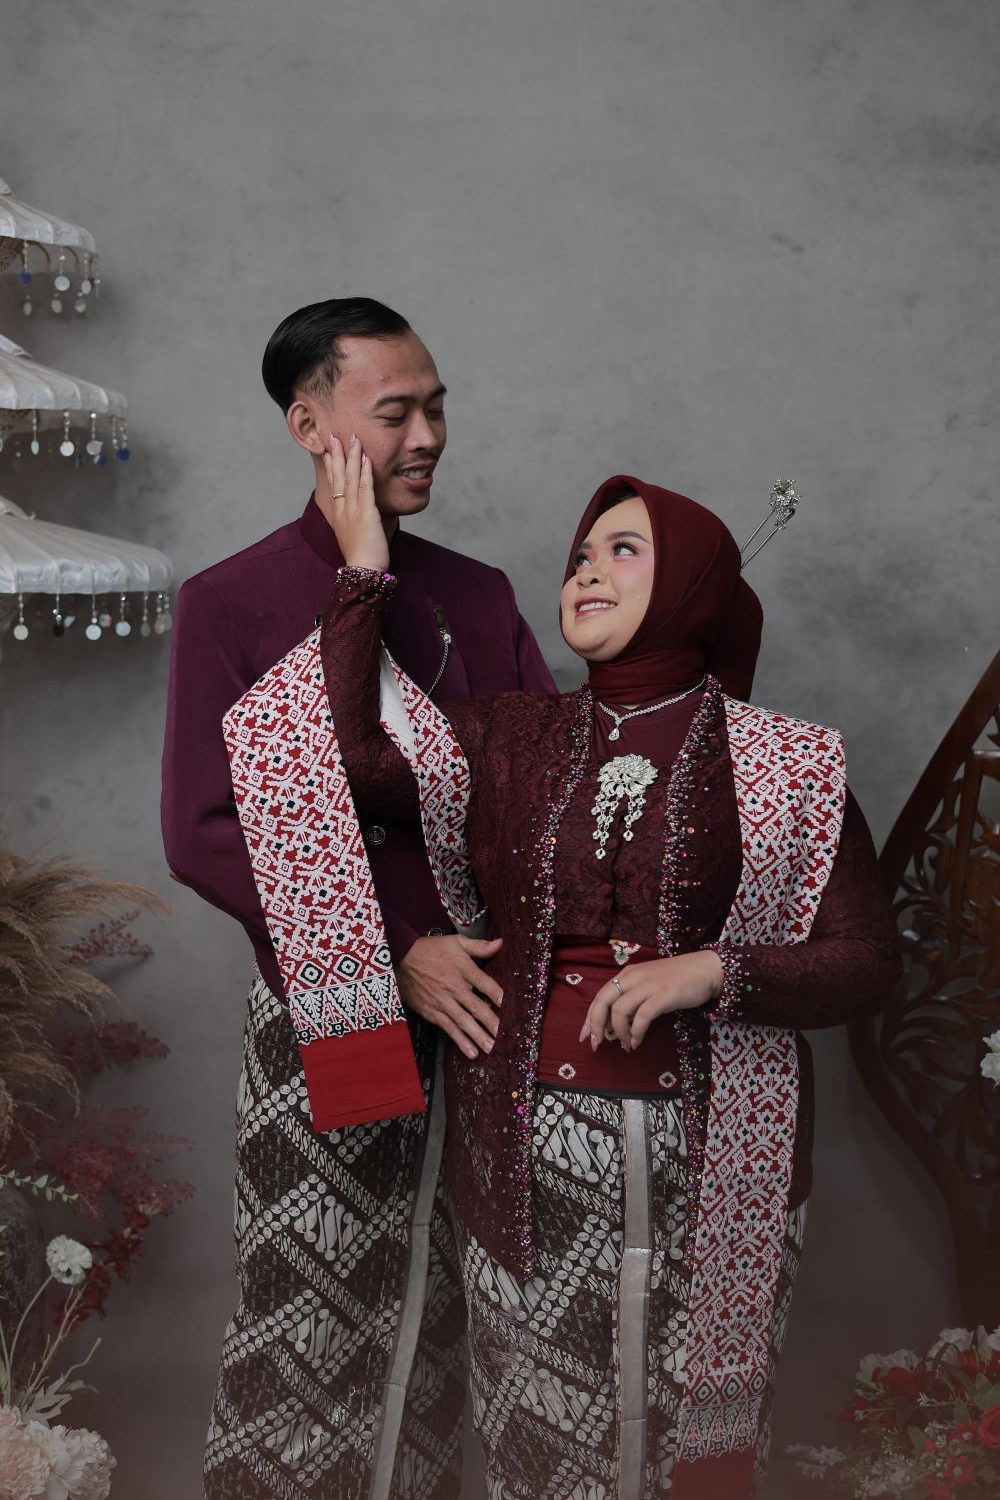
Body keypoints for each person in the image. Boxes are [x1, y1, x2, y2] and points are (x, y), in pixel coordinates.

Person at [242, 443, 901, 1499]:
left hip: (719, 1163)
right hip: (525, 1166)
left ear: (695, 585)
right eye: (580, 555)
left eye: (623, 550)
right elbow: (348, 754)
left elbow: (868, 963)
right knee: (540, 1451)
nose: (586, 570)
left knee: (699, 1455)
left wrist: (710, 974)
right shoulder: (509, 737)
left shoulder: (789, 763)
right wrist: (363, 573)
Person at [161, 298, 554, 1500]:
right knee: (314, 1311)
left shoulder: (477, 594)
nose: (427, 436)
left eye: (437, 407)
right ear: (308, 425)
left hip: (487, 1010)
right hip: (332, 1007)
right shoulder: (233, 599)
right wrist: (396, 952)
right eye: (395, 412)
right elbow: (204, 833)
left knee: (465, 1317)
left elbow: (541, 794)